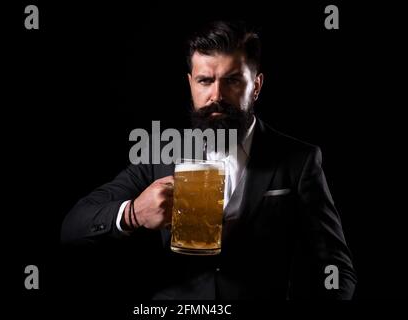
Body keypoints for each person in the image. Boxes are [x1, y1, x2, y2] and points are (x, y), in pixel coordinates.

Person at [61, 20, 357, 299]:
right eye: (205, 80)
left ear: (256, 85)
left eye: (232, 81)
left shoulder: (299, 159)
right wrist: (134, 213)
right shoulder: (160, 153)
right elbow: (73, 227)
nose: (217, 95)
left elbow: (336, 269)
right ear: (190, 83)